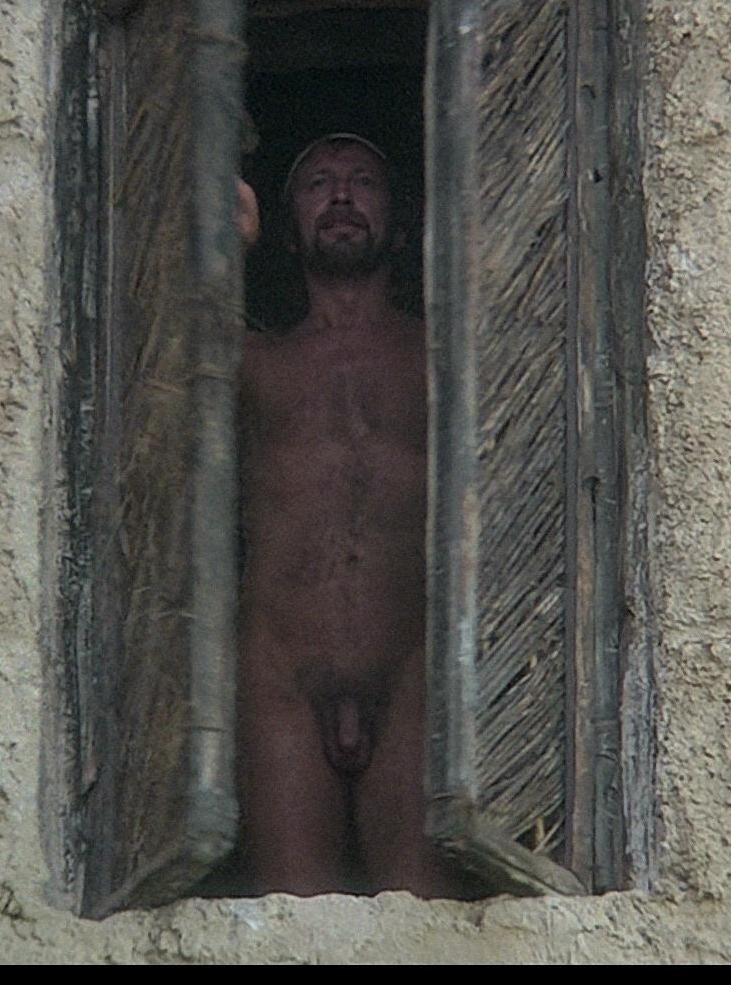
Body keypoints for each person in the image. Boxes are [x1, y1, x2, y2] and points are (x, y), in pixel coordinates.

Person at [233, 134, 457, 896]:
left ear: (399, 221)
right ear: (289, 230)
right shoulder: (253, 363)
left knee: (421, 920)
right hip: (282, 675)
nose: (340, 196)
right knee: (292, 920)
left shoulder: (445, 355)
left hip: (413, 672)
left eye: (363, 181)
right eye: (317, 183)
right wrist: (224, 249)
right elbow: (156, 352)